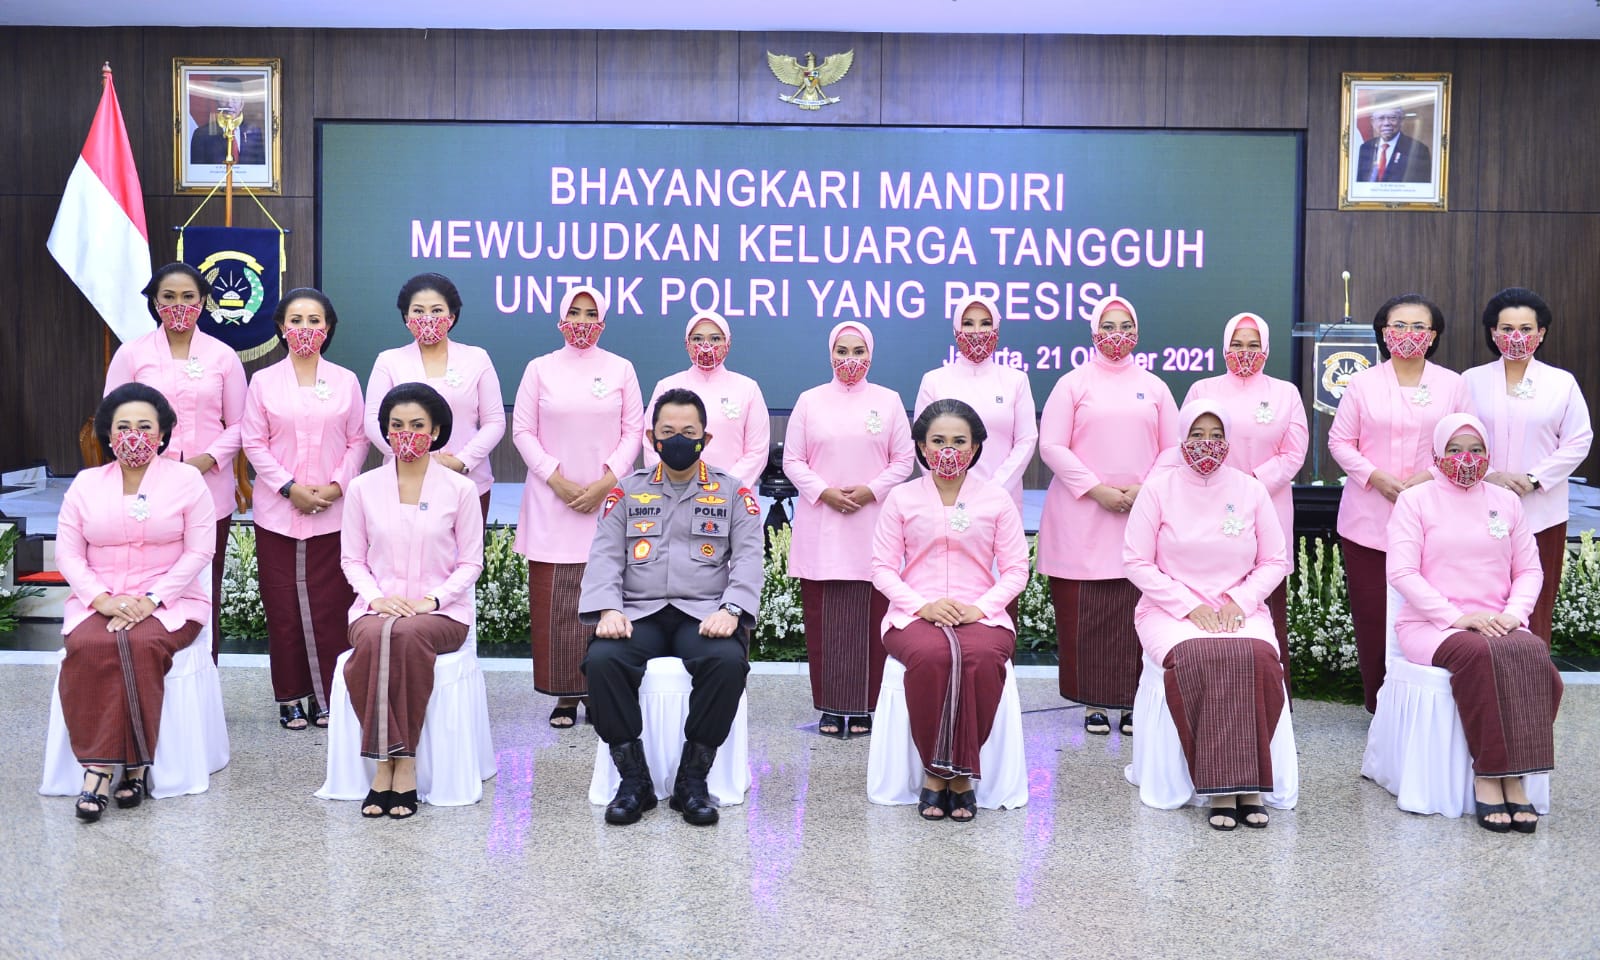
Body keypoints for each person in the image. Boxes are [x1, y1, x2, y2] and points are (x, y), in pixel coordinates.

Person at [579, 388, 763, 827]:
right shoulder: (627, 492)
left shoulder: (732, 493)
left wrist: (731, 609)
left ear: (705, 438)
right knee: (602, 661)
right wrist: (607, 609)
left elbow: (749, 558)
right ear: (652, 438)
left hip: (703, 613)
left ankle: (692, 781)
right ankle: (634, 780)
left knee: (726, 663)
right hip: (637, 612)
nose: (678, 440)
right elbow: (604, 556)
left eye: (688, 432)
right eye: (668, 432)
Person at [1387, 413, 1562, 834]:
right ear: (1437, 453)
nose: (1466, 459)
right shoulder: (1416, 500)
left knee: (1535, 655)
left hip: (1499, 621)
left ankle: (1516, 775)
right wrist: (1456, 617)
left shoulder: (1506, 501)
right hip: (1432, 625)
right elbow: (1403, 572)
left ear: (1488, 453)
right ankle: (1490, 774)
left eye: (1476, 450)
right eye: (1454, 449)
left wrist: (1514, 614)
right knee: (1479, 655)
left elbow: (1529, 570)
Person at [1123, 400, 1291, 831]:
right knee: (1200, 656)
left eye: (1217, 435)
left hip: (1239, 608)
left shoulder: (1250, 490)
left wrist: (1241, 601)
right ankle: (1222, 788)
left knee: (1258, 658)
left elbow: (1275, 559)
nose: (1207, 444)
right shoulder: (1158, 489)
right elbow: (1136, 562)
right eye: (1197, 435)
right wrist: (1189, 605)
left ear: (1229, 441)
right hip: (1170, 610)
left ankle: (1251, 786)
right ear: (1181, 438)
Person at [56, 384, 217, 822]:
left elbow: (200, 551)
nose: (134, 436)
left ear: (163, 434)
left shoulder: (187, 480)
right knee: (90, 645)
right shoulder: (86, 484)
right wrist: (102, 599)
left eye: (145, 427)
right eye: (123, 427)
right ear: (108, 435)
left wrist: (152, 599)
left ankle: (134, 764)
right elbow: (68, 553)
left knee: (141, 644)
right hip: (100, 601)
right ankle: (100, 768)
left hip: (171, 603)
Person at [871, 399, 1029, 822]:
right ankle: (938, 772)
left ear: (975, 448)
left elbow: (1017, 569)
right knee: (933, 656)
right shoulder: (901, 498)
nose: (948, 451)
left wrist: (981, 608)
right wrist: (922, 605)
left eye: (959, 442)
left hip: (980, 614)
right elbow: (882, 568)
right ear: (921, 447)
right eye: (938, 441)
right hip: (913, 613)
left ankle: (958, 777)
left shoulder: (996, 499)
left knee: (980, 658)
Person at [1036, 295, 1179, 736]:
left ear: (1137, 332)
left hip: (1141, 512)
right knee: (1088, 614)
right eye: (1109, 326)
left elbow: (1173, 447)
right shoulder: (1072, 384)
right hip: (1082, 513)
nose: (1117, 335)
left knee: (1134, 611)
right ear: (1094, 332)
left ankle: (1134, 700)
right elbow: (1051, 445)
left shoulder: (1154, 386)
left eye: (1125, 326)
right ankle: (1092, 702)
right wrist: (1095, 489)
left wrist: (1145, 489)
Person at [340, 383, 483, 820]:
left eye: (418, 425)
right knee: (377, 636)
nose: (407, 434)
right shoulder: (363, 487)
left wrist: (432, 600)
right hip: (376, 608)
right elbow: (352, 559)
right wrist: (376, 598)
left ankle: (402, 763)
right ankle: (387, 762)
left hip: (441, 613)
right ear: (385, 431)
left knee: (407, 635)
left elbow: (471, 563)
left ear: (436, 431)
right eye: (397, 425)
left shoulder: (460, 489)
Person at [1328, 294, 1469, 712]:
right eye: (1399, 326)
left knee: (1430, 611)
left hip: (1435, 515)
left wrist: (1429, 476)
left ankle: (1426, 707)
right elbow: (1340, 441)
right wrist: (1375, 476)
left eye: (1419, 327)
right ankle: (1380, 705)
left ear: (1434, 335)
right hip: (1368, 517)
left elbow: (1468, 442)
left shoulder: (1452, 384)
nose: (1409, 334)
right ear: (1384, 333)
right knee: (1373, 615)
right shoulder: (1363, 383)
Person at [512, 285, 643, 728]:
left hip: (608, 501)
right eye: (574, 312)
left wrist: (606, 483)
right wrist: (557, 479)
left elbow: (634, 432)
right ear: (561, 317)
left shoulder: (621, 368)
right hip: (552, 500)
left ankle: (603, 693)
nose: (582, 321)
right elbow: (523, 431)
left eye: (590, 313)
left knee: (606, 595)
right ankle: (564, 696)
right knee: (557, 603)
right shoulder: (539, 368)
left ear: (603, 320)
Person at [242, 288, 369, 730]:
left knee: (332, 606)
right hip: (278, 513)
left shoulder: (346, 380)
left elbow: (358, 439)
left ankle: (329, 695)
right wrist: (288, 487)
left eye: (314, 321)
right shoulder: (263, 382)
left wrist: (336, 486)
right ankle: (291, 696)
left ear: (328, 328)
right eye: (296, 320)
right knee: (282, 608)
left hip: (333, 511)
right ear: (281, 327)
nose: (305, 329)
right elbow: (253, 441)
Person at [106, 262, 246, 660]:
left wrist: (207, 458)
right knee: (148, 577)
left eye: (188, 297)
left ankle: (204, 673)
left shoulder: (222, 355)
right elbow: (111, 417)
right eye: (168, 297)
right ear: (155, 302)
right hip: (145, 486)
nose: (179, 306)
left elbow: (242, 423)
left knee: (204, 582)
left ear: (202, 302)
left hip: (208, 485)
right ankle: (147, 668)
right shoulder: (132, 353)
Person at [784, 322, 915, 738]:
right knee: (825, 619)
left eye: (858, 351)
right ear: (830, 353)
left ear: (871, 355)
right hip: (822, 523)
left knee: (870, 617)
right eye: (842, 351)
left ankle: (864, 707)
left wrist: (871, 490)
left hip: (872, 522)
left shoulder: (889, 401)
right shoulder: (810, 401)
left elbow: (904, 460)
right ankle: (829, 707)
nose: (850, 359)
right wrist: (824, 492)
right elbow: (792, 461)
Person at [1183, 313, 1308, 683]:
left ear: (1266, 349)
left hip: (1268, 506)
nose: (1245, 352)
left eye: (1253, 345)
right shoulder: (1202, 390)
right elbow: (1186, 444)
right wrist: (1223, 484)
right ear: (1224, 347)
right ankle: (1210, 688)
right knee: (1207, 596)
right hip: (1206, 504)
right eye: (1237, 344)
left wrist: (1249, 485)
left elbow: (1294, 454)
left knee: (1266, 601)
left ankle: (1272, 694)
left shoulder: (1285, 393)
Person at [1464, 287, 1593, 644]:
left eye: (1526, 328)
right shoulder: (1471, 380)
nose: (1516, 337)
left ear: (1542, 332)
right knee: (1479, 593)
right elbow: (1455, 435)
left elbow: (1579, 440)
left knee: (1536, 598)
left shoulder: (1561, 383)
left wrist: (1534, 478)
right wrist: (1490, 474)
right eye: (1506, 329)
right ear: (1493, 332)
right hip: (1479, 503)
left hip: (1541, 509)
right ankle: (1482, 666)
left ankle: (1532, 669)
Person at [365, 273, 505, 524]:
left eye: (437, 310)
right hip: (403, 481)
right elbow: (373, 422)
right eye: (418, 311)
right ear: (406, 317)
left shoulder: (477, 358)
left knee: (466, 548)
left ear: (452, 316)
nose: (427, 318)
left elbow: (494, 422)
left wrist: (461, 462)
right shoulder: (388, 361)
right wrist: (411, 458)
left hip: (467, 480)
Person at [913, 294, 1038, 512]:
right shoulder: (933, 380)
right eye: (968, 323)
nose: (977, 331)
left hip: (1002, 498)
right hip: (946, 500)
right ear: (956, 329)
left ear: (997, 328)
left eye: (986, 323)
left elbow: (1026, 440)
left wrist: (994, 489)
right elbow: (922, 443)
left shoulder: (1016, 380)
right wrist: (948, 488)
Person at [642, 309, 770, 489]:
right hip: (674, 494)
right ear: (687, 343)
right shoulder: (667, 386)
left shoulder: (748, 388)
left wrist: (724, 489)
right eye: (697, 339)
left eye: (715, 339)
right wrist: (676, 486)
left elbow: (757, 451)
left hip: (733, 495)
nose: (706, 345)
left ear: (728, 343)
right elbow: (651, 445)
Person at [188, 75, 265, 165]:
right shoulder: (201, 134)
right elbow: (197, 170)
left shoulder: (254, 132)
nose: (230, 104)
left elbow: (260, 168)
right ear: (217, 102)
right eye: (224, 98)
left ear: (242, 103)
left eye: (235, 99)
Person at [1355, 101, 1432, 183]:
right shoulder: (1365, 148)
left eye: (1392, 118)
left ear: (1401, 121)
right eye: (1381, 118)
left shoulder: (1418, 150)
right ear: (1373, 122)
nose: (1386, 123)